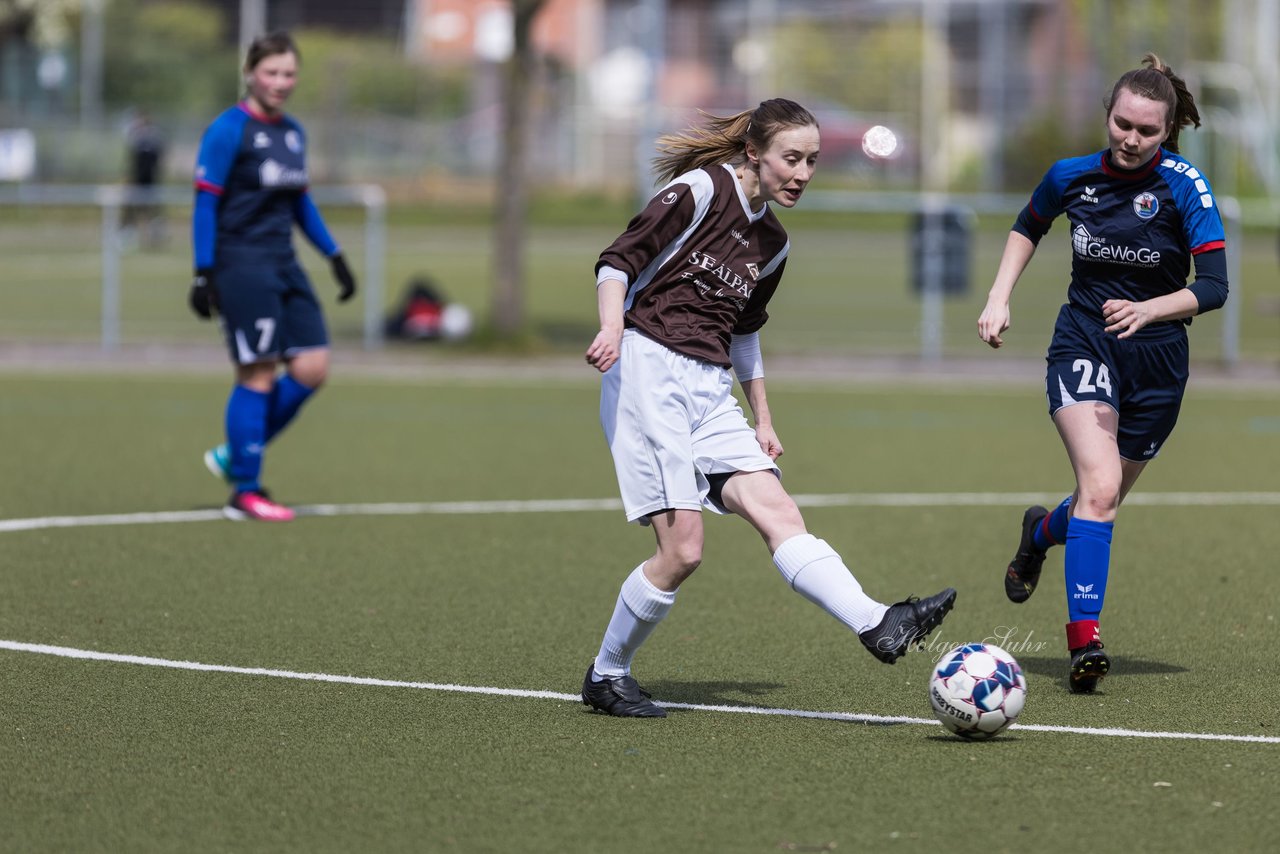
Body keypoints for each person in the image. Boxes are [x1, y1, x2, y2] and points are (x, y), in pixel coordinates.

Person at [580, 98, 957, 718]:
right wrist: (612, 328)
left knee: (779, 510)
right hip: (646, 371)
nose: (803, 173)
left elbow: (745, 333)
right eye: (791, 158)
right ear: (754, 151)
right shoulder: (700, 190)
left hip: (708, 385)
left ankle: (878, 623)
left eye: (811, 161)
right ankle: (607, 674)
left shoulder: (774, 243)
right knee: (683, 552)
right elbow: (618, 260)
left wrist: (763, 417)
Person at [977, 54, 1228, 693]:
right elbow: (1027, 226)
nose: (1130, 139)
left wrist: (1149, 309)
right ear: (1107, 116)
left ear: (1166, 131)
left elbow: (1216, 287)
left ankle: (1038, 534)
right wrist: (999, 295)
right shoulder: (1071, 176)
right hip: (1084, 341)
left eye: (1146, 131)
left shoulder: (1185, 185)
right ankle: (1084, 642)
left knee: (1103, 499)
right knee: (1100, 480)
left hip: (1160, 361)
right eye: (1122, 124)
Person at [189, 31, 357, 522]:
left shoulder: (293, 133)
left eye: (289, 73)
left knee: (312, 368)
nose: (280, 82)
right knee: (258, 373)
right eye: (271, 72)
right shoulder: (227, 130)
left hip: (285, 264)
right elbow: (206, 203)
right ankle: (246, 489)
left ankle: (234, 454)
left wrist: (334, 254)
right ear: (250, 73)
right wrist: (203, 272)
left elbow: (299, 201)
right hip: (241, 265)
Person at [123, 110, 166, 248]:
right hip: (138, 182)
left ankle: (156, 237)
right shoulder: (135, 139)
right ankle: (129, 237)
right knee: (131, 211)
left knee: (153, 211)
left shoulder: (154, 139)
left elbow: (157, 161)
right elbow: (133, 162)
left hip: (151, 182)